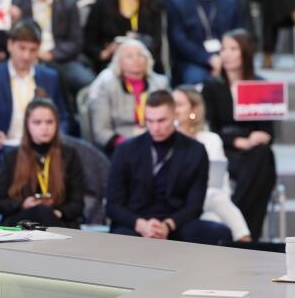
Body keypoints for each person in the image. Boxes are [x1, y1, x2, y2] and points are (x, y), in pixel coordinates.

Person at [106, 89, 233, 245]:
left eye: (161, 121)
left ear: (174, 116)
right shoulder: (126, 150)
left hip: (176, 224)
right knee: (121, 238)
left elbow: (195, 205)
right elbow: (113, 205)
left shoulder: (195, 151)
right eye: (149, 121)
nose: (155, 128)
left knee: (219, 233)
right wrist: (142, 225)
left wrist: (167, 225)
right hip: (135, 223)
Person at [202, 32, 276, 241]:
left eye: (233, 49)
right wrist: (239, 140)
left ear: (245, 53)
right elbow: (211, 128)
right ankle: (246, 233)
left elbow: (269, 132)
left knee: (263, 156)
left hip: (254, 153)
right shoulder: (212, 86)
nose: (226, 54)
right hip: (227, 152)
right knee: (261, 169)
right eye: (223, 49)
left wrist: (255, 139)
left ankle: (237, 222)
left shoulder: (260, 84)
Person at [0, 19, 70, 150]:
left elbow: (63, 117)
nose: (26, 55)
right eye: (22, 48)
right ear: (10, 45)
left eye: (32, 50)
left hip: (43, 148)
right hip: (6, 150)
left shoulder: (50, 78)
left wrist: (56, 136)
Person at [173, 86, 251, 241]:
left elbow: (220, 182)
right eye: (171, 104)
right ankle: (245, 240)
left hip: (211, 201)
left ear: (194, 108)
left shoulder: (211, 140)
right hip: (181, 202)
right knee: (213, 200)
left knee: (214, 217)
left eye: (179, 104)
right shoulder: (168, 140)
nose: (174, 109)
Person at [0, 97, 85, 228]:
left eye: (49, 122)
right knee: (39, 212)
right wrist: (22, 205)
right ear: (27, 125)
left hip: (59, 220)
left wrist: (59, 212)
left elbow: (77, 203)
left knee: (45, 214)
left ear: (57, 124)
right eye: (37, 122)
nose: (44, 127)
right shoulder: (12, 157)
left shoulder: (69, 155)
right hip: (21, 220)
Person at [14, 0, 94, 99]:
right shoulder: (16, 1)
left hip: (60, 59)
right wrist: (13, 21)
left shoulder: (69, 2)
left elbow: (76, 42)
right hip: (25, 58)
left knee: (88, 82)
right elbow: (5, 39)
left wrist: (52, 54)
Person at [167, 0, 243, 85]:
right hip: (191, 63)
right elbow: (179, 42)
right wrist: (209, 58)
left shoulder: (230, 4)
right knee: (198, 79)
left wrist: (225, 59)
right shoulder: (178, 3)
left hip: (226, 60)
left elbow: (239, 36)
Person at [88, 38, 169, 154]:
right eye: (129, 56)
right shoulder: (105, 84)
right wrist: (127, 145)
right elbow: (100, 130)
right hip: (121, 145)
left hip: (157, 138)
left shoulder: (160, 83)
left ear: (148, 60)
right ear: (118, 62)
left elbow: (170, 118)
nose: (136, 59)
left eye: (140, 55)